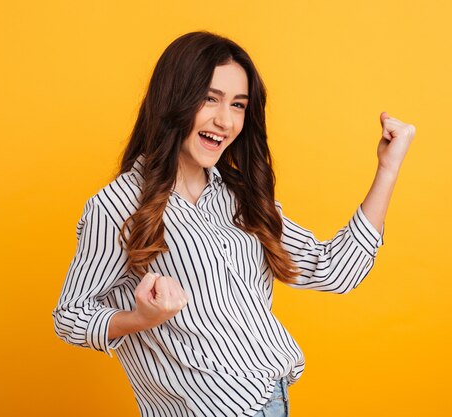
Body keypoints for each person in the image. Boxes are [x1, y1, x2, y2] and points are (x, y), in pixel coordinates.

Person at [51, 31, 416, 417]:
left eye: (238, 105)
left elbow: (335, 270)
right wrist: (142, 318)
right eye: (210, 99)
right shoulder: (118, 205)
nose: (225, 120)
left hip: (270, 402)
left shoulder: (241, 196)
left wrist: (388, 169)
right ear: (174, 99)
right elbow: (71, 315)